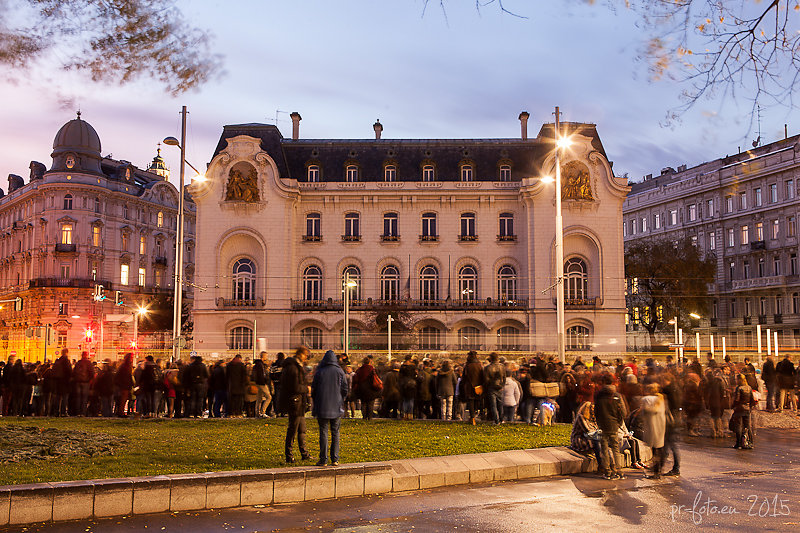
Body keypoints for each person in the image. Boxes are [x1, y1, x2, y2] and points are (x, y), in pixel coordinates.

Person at [311, 350, 349, 467]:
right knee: (335, 432)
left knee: (323, 432)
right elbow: (345, 388)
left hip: (322, 406)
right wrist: (341, 398)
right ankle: (335, 459)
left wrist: (316, 400)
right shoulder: (339, 371)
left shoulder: (320, 372)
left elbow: (314, 389)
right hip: (336, 406)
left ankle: (323, 459)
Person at [279, 346, 312, 463]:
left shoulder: (295, 366)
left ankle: (304, 453)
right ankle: (289, 454)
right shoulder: (293, 368)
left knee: (302, 429)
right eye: (306, 355)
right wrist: (306, 389)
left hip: (299, 402)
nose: (306, 358)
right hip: (295, 401)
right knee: (293, 429)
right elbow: (295, 387)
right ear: (301, 355)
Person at [594, 374, 626, 480]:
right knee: (616, 448)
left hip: (603, 425)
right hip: (614, 425)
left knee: (604, 448)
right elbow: (623, 412)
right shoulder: (616, 395)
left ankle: (607, 471)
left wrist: (599, 423)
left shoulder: (599, 395)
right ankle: (618, 470)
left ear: (603, 383)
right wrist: (618, 423)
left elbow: (596, 411)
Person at [640, 383, 667, 479]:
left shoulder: (646, 399)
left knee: (654, 450)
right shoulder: (661, 399)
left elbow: (643, 412)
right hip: (660, 427)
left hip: (651, 427)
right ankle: (658, 470)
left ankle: (656, 472)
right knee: (659, 449)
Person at [731, 373, 755, 449]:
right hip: (747, 409)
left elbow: (737, 400)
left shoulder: (739, 388)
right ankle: (750, 442)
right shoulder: (749, 387)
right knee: (748, 426)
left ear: (739, 380)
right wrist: (750, 407)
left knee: (738, 426)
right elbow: (752, 399)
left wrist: (733, 406)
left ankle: (738, 444)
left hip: (739, 408)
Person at [462, 351, 485, 425]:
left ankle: (472, 418)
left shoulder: (467, 365)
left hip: (469, 386)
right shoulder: (479, 365)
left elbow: (464, 377)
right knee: (477, 401)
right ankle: (477, 415)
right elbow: (482, 375)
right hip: (478, 386)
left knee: (470, 401)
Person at [483, 352, 506, 424]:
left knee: (493, 405)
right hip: (500, 386)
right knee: (500, 404)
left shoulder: (487, 368)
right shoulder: (502, 366)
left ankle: (496, 420)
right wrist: (502, 385)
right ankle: (502, 419)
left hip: (491, 387)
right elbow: (504, 377)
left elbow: (486, 379)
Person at [72, 351, 95, 416]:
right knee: (84, 398)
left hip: (78, 382)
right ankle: (83, 412)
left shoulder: (78, 363)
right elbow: (92, 373)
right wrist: (90, 380)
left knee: (78, 398)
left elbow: (74, 372)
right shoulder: (88, 363)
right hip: (85, 382)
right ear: (86, 355)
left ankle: (77, 412)